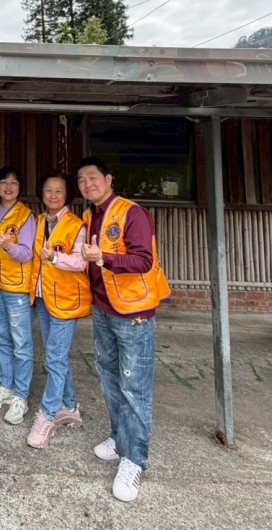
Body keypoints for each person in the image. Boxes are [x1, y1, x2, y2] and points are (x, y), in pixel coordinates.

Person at [76, 156, 171, 503]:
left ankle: (135, 460)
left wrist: (103, 258)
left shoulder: (132, 213)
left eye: (93, 177)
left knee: (135, 386)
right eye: (82, 180)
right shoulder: (90, 216)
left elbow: (144, 260)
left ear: (109, 179)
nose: (88, 184)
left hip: (134, 312)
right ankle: (120, 439)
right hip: (103, 309)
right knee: (109, 378)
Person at [26, 171, 91, 449]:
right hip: (43, 297)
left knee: (54, 358)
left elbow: (81, 262)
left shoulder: (76, 225)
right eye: (48, 190)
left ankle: (48, 414)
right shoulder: (39, 221)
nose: (53, 195)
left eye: (59, 191)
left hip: (66, 300)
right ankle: (70, 407)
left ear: (67, 195)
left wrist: (55, 257)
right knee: (57, 356)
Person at [0, 166, 37, 426]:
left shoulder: (26, 216)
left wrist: (10, 247)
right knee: (1, 337)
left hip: (17, 290)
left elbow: (27, 254)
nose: (8, 187)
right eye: (4, 182)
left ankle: (21, 396)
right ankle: (6, 385)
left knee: (21, 343)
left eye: (13, 182)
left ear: (20, 187)